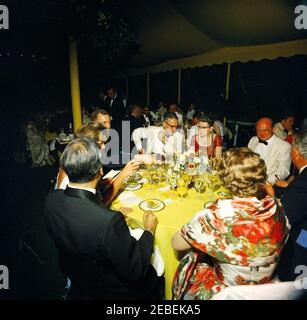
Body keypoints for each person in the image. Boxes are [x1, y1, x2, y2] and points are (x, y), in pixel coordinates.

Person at [45, 137, 163, 299]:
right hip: (111, 291)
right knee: (159, 258)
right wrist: (149, 231)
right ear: (100, 171)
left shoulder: (52, 199)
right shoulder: (108, 221)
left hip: (79, 280)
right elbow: (136, 269)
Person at [171, 147, 289, 300]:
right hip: (267, 291)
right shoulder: (276, 208)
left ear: (225, 180)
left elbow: (176, 244)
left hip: (226, 293)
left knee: (190, 259)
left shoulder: (215, 216)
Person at [56, 121, 139, 206]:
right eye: (101, 143)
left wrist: (101, 182)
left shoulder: (78, 161)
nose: (104, 147)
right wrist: (123, 174)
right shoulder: (71, 174)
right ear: (88, 145)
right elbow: (100, 205)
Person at [272, 131, 307, 281]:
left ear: (296, 152)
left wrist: (271, 196)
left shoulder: (303, 181)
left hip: (302, 239)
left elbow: (283, 216)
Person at [247, 117, 291, 184]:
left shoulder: (284, 146)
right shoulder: (253, 140)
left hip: (268, 184)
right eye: (258, 130)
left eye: (265, 130)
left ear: (273, 129)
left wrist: (264, 181)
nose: (262, 134)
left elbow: (284, 171)